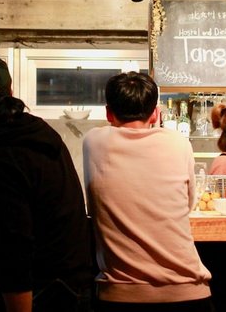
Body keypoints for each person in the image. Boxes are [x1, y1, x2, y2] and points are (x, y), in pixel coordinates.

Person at [0, 50, 93, 312]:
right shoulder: (40, 133)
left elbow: (13, 255)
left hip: (48, 297)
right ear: (10, 93)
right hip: (78, 290)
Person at [83, 72, 214, 312]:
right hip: (188, 293)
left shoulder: (93, 142)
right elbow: (188, 204)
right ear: (156, 113)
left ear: (108, 113)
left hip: (119, 295)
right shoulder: (178, 142)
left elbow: (92, 207)